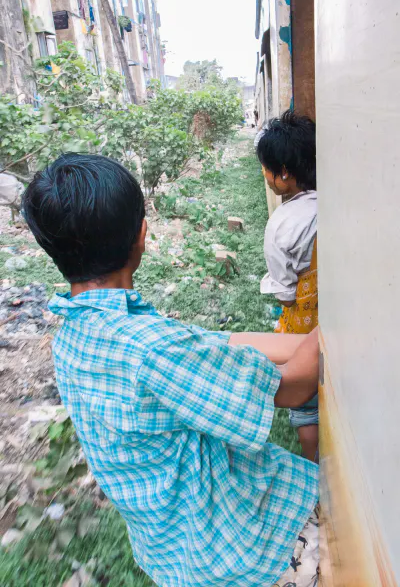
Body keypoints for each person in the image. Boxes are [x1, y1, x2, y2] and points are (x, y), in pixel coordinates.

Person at [22, 153, 319, 587]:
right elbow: (293, 388)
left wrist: (303, 340)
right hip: (243, 550)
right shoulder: (152, 351)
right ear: (141, 236)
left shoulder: (76, 331)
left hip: (170, 549)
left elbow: (213, 343)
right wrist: (337, 327)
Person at [257, 110, 318, 462]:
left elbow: (285, 292)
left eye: (266, 168)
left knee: (307, 406)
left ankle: (315, 469)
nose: (264, 175)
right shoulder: (338, 205)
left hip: (304, 330)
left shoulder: (281, 225)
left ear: (283, 174)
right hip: (343, 322)